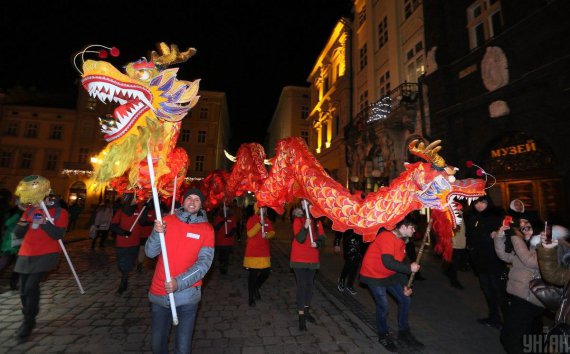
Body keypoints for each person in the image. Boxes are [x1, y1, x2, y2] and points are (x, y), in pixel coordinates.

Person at [146, 188, 214, 354]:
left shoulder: (207, 230)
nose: (192, 202)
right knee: (157, 345)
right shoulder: (166, 221)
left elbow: (204, 264)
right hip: (160, 293)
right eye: (189, 198)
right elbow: (150, 252)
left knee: (183, 349)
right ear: (183, 201)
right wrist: (156, 233)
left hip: (187, 296)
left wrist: (179, 282)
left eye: (197, 199)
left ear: (201, 204)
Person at [359, 215, 424, 352]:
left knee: (405, 299)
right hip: (374, 276)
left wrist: (406, 285)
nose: (414, 231)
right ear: (403, 227)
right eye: (413, 228)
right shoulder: (386, 236)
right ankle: (383, 335)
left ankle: (403, 332)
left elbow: (397, 266)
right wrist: (409, 268)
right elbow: (388, 262)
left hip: (388, 275)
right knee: (384, 306)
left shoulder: (401, 241)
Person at [12, 193, 69, 339]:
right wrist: (25, 218)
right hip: (26, 253)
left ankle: (28, 322)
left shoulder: (60, 213)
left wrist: (42, 220)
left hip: (46, 254)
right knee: (23, 290)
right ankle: (29, 313)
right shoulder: (29, 210)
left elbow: (57, 234)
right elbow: (18, 233)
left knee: (31, 287)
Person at [493, 218, 545, 353]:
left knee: (509, 338)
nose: (525, 231)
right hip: (521, 297)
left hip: (530, 298)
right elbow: (505, 256)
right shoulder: (526, 245)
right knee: (526, 339)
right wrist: (500, 237)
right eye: (522, 228)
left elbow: (529, 261)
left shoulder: (544, 245)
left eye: (528, 227)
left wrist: (516, 238)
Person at [465, 196, 507, 330]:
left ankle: (509, 321)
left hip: (494, 260)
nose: (479, 205)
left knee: (499, 290)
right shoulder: (473, 217)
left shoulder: (496, 217)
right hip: (480, 260)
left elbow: (502, 236)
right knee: (487, 290)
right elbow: (471, 235)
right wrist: (485, 236)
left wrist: (492, 236)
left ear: (488, 203)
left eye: (482, 202)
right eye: (476, 203)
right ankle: (494, 317)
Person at [290, 204, 325, 331]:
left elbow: (322, 237)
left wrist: (318, 243)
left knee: (310, 287)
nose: (311, 208)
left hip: (312, 260)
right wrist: (305, 226)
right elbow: (299, 238)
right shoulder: (297, 220)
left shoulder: (317, 222)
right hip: (299, 259)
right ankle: (301, 318)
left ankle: (306, 311)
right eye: (309, 205)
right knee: (302, 286)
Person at [109, 193, 144, 294]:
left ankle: (123, 281)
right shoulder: (120, 212)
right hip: (122, 242)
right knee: (122, 264)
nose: (135, 200)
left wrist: (144, 209)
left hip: (134, 242)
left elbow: (142, 222)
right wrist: (123, 232)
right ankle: (124, 278)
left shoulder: (138, 211)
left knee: (129, 263)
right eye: (133, 199)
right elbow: (113, 225)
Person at [243, 202, 275, 307]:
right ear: (257, 208)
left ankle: (256, 287)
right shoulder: (251, 219)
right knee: (253, 275)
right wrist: (259, 225)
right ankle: (251, 297)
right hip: (253, 252)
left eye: (265, 208)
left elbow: (272, 232)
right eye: (262, 208)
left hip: (264, 252)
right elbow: (249, 234)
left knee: (266, 273)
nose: (264, 210)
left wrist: (267, 234)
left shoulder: (267, 220)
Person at [0, 198, 25, 290]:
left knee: (17, 265)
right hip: (11, 243)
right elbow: (7, 223)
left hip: (19, 243)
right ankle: (13, 284)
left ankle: (13, 284)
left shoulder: (23, 212)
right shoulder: (16, 212)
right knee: (3, 263)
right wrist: (19, 214)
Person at [334, 228, 364, 295]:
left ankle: (350, 284)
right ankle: (342, 280)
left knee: (356, 264)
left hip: (361, 242)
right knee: (350, 261)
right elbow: (340, 228)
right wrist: (337, 243)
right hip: (350, 240)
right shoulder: (348, 217)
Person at [444, 208, 468, 289]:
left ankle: (448, 272)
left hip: (460, 243)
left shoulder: (461, 213)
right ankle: (454, 281)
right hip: (454, 244)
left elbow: (463, 229)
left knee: (453, 263)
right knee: (454, 264)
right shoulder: (452, 214)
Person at [213, 205, 237, 275]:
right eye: (224, 207)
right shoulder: (218, 217)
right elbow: (216, 228)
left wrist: (230, 234)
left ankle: (224, 269)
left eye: (227, 207)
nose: (225, 209)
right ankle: (222, 267)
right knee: (221, 256)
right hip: (220, 241)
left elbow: (234, 227)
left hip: (228, 241)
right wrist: (223, 221)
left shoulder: (232, 217)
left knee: (226, 256)